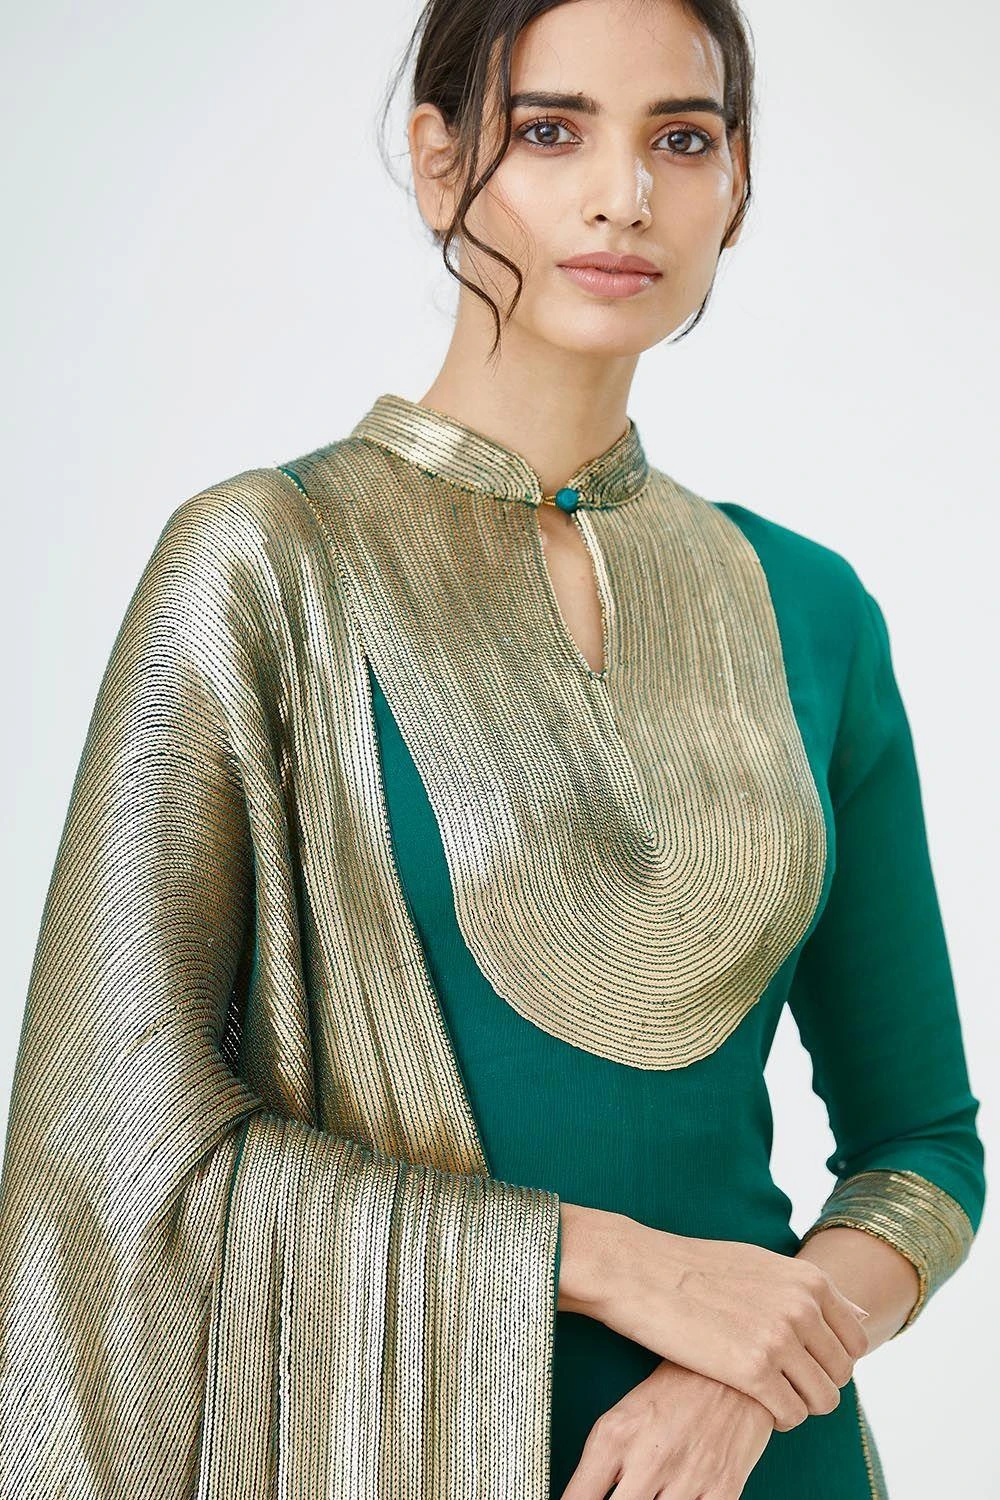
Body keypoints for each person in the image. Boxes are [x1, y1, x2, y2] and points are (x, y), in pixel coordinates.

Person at [0, 1, 986, 1497]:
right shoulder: (262, 566)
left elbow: (923, 1148)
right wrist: (618, 1268)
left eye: (682, 139)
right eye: (550, 131)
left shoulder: (813, 610)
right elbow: (108, 1140)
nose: (623, 196)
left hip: (759, 1462)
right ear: (439, 158)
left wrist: (743, 1384)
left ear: (736, 185)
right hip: (386, 1454)